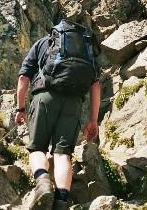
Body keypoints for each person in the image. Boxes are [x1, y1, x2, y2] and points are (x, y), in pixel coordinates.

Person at [15, 23, 101, 210]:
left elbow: (23, 78)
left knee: (37, 148)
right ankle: (61, 201)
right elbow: (95, 86)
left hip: (45, 98)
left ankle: (43, 182)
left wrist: (20, 108)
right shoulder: (86, 52)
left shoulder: (43, 44)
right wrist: (93, 120)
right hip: (73, 103)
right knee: (62, 155)